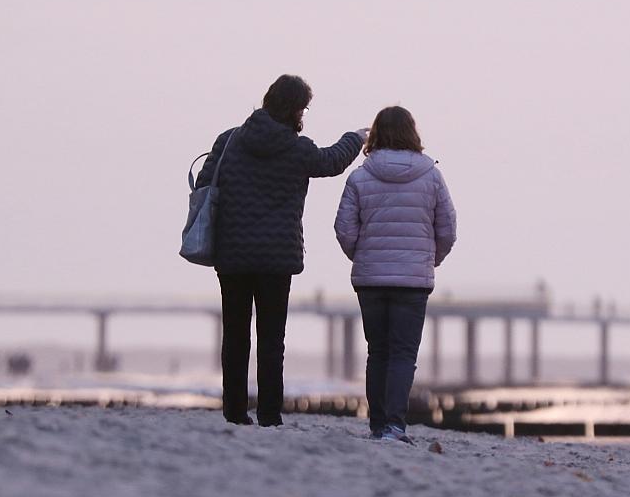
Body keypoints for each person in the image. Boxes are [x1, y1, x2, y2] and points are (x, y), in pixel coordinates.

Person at [196, 75, 367, 426]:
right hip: (276, 257)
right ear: (294, 109)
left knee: (235, 336)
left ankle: (234, 411)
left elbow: (203, 185)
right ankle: (270, 414)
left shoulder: (229, 141)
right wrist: (357, 137)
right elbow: (332, 161)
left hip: (233, 254)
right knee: (272, 339)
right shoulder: (296, 149)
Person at [334, 106, 457, 444]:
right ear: (411, 133)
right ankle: (394, 426)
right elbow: (447, 229)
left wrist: (362, 256)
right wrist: (429, 260)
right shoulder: (431, 176)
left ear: (375, 135)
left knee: (378, 352)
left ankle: (376, 426)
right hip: (413, 281)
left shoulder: (359, 176)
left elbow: (343, 228)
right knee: (403, 354)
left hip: (370, 279)